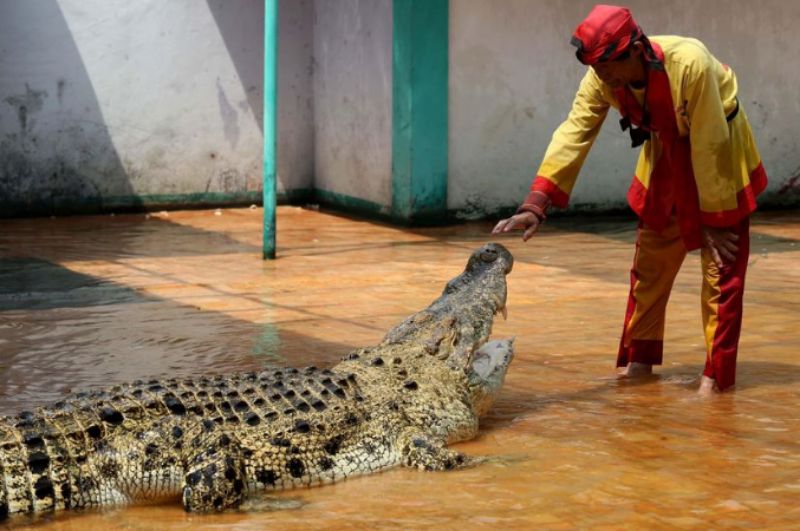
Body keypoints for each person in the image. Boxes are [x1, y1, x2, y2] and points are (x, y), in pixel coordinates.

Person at [492, 4, 768, 395]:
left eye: (608, 66)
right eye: (596, 68)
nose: (603, 76)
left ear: (636, 49)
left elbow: (710, 142)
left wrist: (714, 220)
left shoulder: (690, 63)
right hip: (663, 157)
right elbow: (576, 129)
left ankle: (714, 381)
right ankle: (639, 366)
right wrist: (537, 202)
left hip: (721, 155)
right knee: (649, 264)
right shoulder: (601, 77)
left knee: (722, 268)